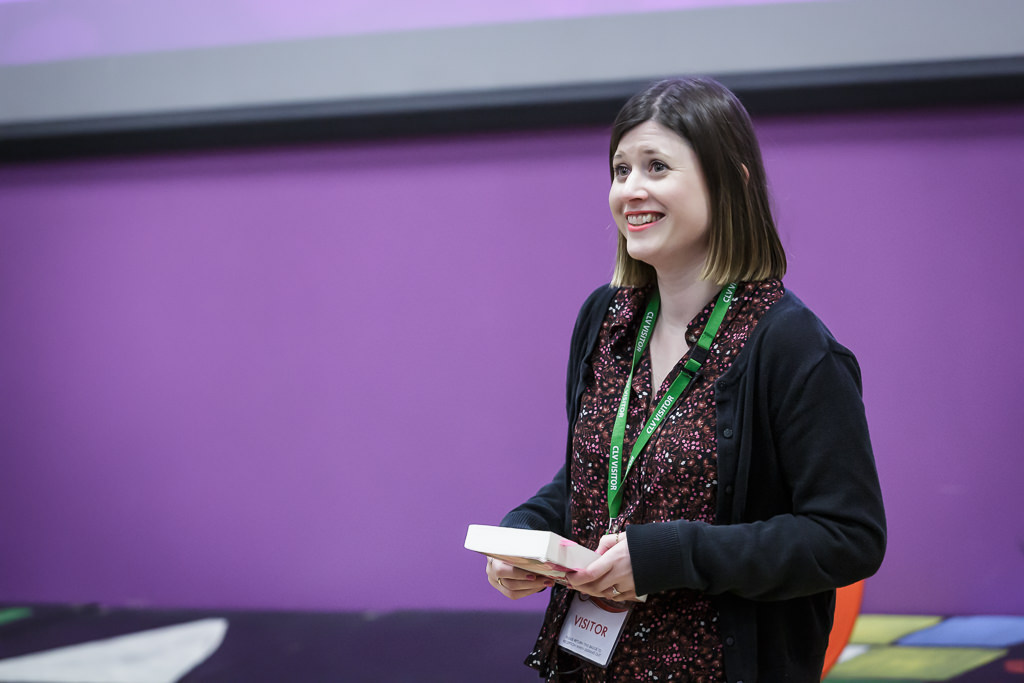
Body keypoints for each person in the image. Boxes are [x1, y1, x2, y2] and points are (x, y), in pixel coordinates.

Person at [484, 77, 886, 682]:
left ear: (733, 181)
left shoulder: (790, 344)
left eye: (657, 167)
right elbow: (595, 478)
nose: (631, 191)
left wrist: (673, 555)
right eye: (621, 170)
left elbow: (847, 536)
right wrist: (528, 533)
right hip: (590, 664)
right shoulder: (607, 317)